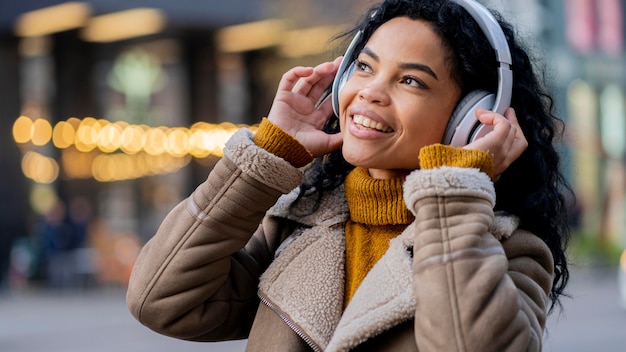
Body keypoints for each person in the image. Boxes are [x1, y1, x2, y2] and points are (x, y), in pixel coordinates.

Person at [126, 0, 571, 350]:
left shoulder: (507, 251)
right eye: (364, 66)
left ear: (471, 118)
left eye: (411, 81)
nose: (371, 92)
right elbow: (161, 302)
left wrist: (454, 190)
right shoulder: (295, 228)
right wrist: (265, 161)